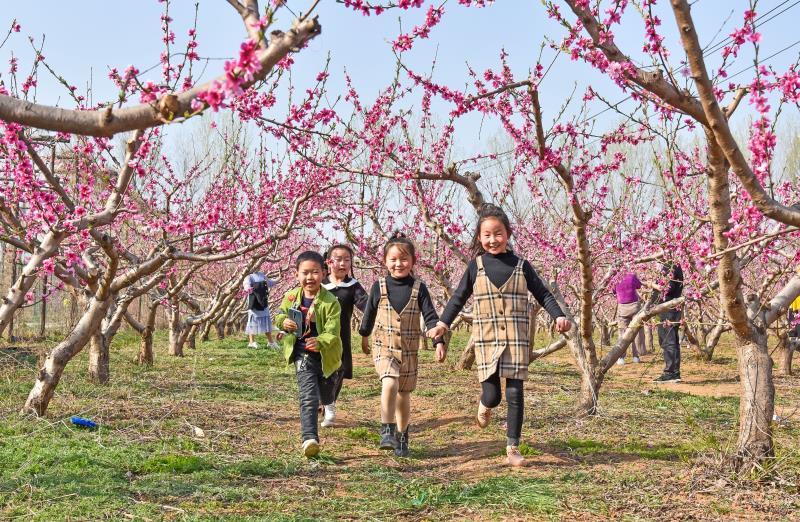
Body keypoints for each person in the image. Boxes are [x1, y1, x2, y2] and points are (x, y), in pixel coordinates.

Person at [428, 204, 571, 467]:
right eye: (487, 235)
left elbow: (543, 294)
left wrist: (558, 315)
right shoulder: (476, 266)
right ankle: (484, 405)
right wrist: (443, 324)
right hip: (486, 339)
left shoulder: (521, 266)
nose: (493, 240)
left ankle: (512, 446)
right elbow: (458, 298)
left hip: (516, 338)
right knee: (493, 395)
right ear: (479, 238)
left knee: (516, 393)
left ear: (507, 234)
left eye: (498, 233)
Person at [359, 233, 446, 458]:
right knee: (389, 382)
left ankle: (402, 435)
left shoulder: (419, 288)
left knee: (404, 395)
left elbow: (430, 317)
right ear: (385, 261)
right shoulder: (379, 286)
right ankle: (386, 430)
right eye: (393, 259)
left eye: (404, 259)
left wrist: (438, 341)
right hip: (384, 346)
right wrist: (364, 335)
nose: (399, 264)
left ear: (413, 261)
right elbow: (369, 313)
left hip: (409, 350)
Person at [274, 251, 342, 458]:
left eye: (315, 272)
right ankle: (309, 438)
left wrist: (320, 341)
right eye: (305, 272)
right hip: (302, 353)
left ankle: (328, 402)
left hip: (326, 356)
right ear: (296, 274)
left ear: (324, 273)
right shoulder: (291, 297)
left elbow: (332, 330)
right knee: (308, 396)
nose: (310, 277)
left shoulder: (331, 301)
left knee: (327, 390)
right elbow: (279, 315)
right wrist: (282, 322)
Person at [320, 244, 368, 427]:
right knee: (318, 370)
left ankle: (329, 403)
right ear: (329, 262)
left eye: (347, 260)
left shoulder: (353, 286)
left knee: (338, 372)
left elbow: (366, 304)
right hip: (320, 336)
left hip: (341, 337)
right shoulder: (320, 285)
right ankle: (320, 402)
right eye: (338, 259)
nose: (342, 263)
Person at [648, 261, 684, 383]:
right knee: (671, 340)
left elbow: (667, 288)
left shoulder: (671, 265)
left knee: (668, 341)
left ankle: (670, 373)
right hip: (670, 307)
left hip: (668, 308)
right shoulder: (673, 264)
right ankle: (674, 372)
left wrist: (652, 284)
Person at [614, 271, 646, 365]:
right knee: (635, 331)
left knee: (623, 333)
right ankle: (636, 357)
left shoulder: (615, 278)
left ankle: (621, 357)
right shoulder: (632, 275)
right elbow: (639, 286)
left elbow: (613, 291)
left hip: (622, 307)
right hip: (634, 306)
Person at [243, 271, 278, 349]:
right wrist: (249, 288)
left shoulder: (262, 275)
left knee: (266, 320)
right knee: (253, 321)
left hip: (263, 300)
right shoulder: (249, 277)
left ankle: (271, 342)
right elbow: (246, 286)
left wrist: (278, 279)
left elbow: (269, 283)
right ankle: (251, 342)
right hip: (254, 301)